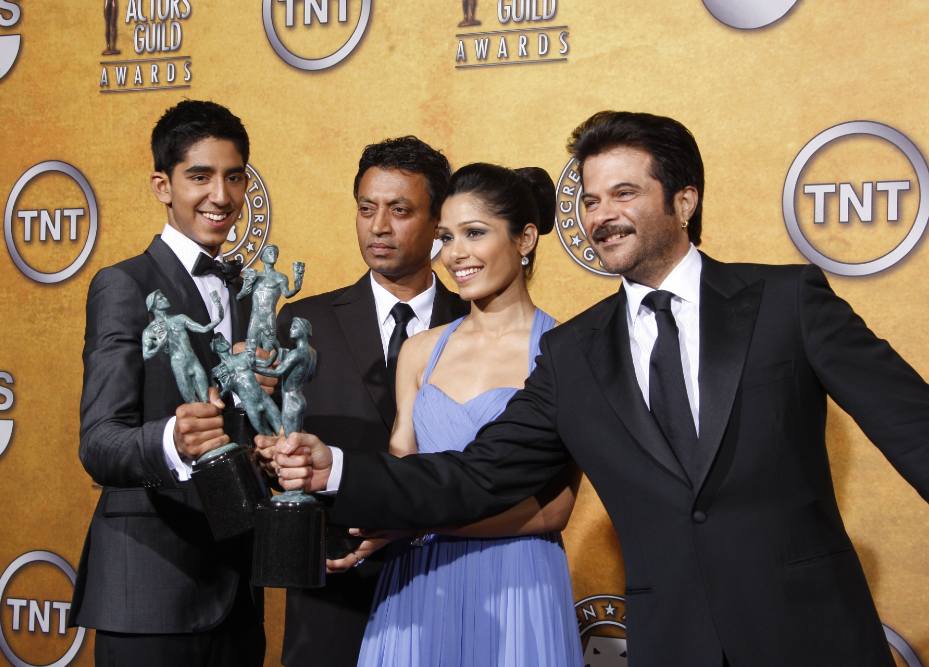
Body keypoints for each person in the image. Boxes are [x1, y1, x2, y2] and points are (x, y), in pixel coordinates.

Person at [274, 111, 929, 667]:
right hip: (675, 644)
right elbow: (474, 475)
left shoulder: (786, 302)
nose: (602, 215)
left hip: (810, 636)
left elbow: (912, 425)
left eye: (624, 193)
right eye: (589, 199)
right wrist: (335, 468)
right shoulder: (574, 353)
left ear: (684, 200)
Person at [349, 163, 584, 667]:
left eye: (474, 234)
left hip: (517, 583)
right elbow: (400, 467)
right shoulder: (419, 350)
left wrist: (417, 525)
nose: (455, 254)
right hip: (417, 584)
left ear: (525, 239)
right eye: (446, 236)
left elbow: (556, 509)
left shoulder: (566, 351)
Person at [68, 100, 270, 667]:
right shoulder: (124, 285)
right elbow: (100, 441)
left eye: (234, 177)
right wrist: (171, 441)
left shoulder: (250, 295)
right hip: (151, 591)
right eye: (199, 176)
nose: (221, 196)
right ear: (163, 185)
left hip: (238, 593)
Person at [263, 136, 469, 667]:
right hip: (333, 593)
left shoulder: (478, 326)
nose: (378, 226)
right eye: (366, 209)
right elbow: (266, 452)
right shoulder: (302, 323)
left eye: (400, 210)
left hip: (451, 583)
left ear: (438, 220)